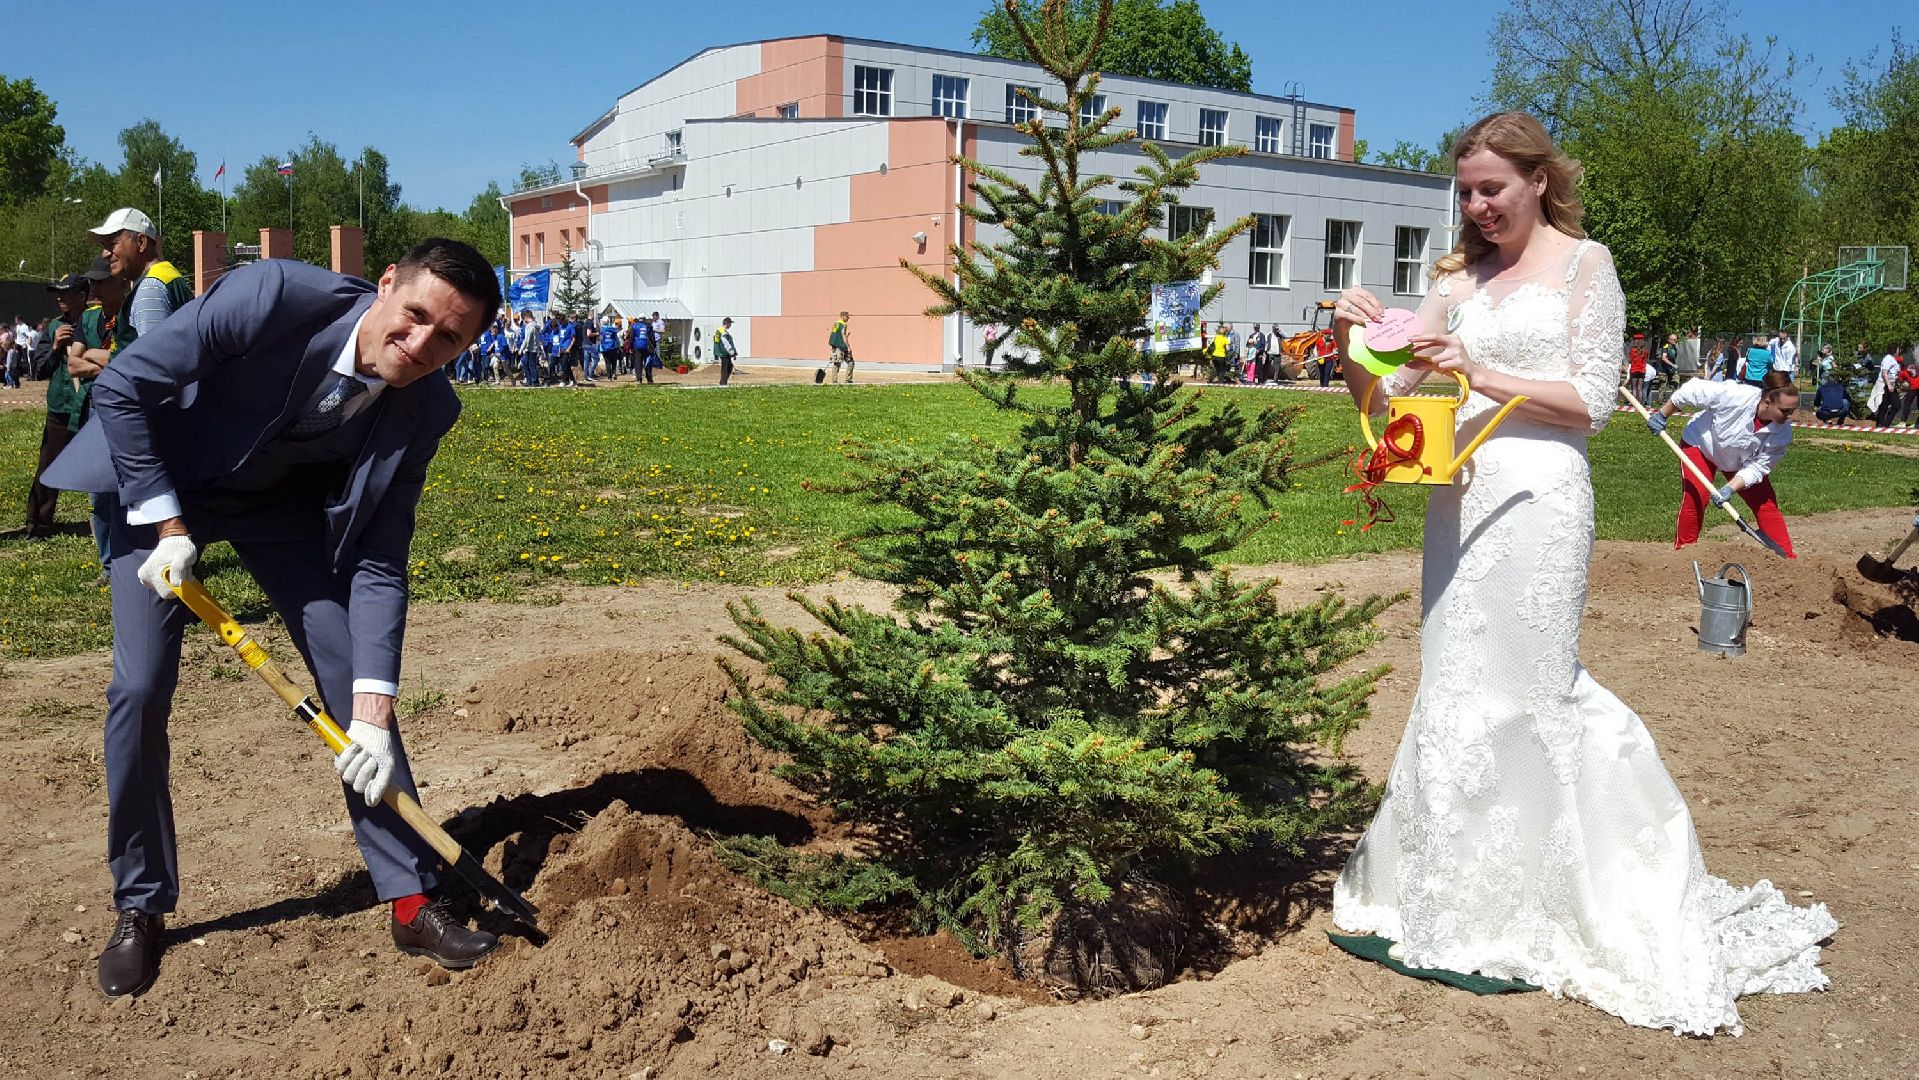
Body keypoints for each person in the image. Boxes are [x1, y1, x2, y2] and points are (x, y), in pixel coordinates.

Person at [1328, 111, 1833, 1036]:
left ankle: (1572, 888)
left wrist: (1476, 369)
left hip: (1541, 499)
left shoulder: (1582, 264)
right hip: (1461, 498)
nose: (1477, 207)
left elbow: (1590, 403)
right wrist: (1353, 344)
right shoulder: (1453, 278)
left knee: (1531, 687)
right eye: (1466, 191)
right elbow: (1390, 402)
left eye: (1493, 189)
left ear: (1536, 181)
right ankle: (1444, 899)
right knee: (1454, 682)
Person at [41, 238, 507, 998]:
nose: (421, 344)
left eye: (448, 338)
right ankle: (140, 902)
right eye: (415, 315)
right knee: (140, 689)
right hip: (157, 481)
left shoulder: (427, 407)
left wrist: (372, 710)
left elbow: (381, 559)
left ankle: (412, 898)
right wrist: (166, 526)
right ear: (387, 285)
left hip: (277, 510)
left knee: (349, 670)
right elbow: (124, 385)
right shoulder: (274, 296)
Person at [1648, 370, 1799, 556]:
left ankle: (1787, 560)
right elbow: (1691, 390)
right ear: (1767, 402)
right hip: (1702, 445)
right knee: (1697, 496)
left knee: (1765, 504)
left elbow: (1759, 467)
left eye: (1792, 410)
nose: (1789, 416)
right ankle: (1685, 554)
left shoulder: (1782, 433)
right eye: (1785, 411)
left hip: (1740, 462)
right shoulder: (1735, 396)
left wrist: (1730, 488)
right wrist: (1663, 414)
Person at [15, 269, 93, 539]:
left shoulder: (96, 322)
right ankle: (38, 525)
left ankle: (112, 524)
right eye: (58, 293)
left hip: (90, 406)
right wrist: (57, 346)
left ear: (83, 296)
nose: (60, 298)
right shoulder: (52, 328)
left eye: (67, 293)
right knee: (48, 466)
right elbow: (40, 370)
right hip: (61, 408)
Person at [1872, 345, 1903, 426]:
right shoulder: (1888, 359)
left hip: (1891, 384)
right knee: (1888, 405)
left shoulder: (1893, 359)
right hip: (1885, 384)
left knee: (1890, 405)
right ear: (1895, 350)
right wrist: (1889, 385)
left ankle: (1884, 424)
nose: (1899, 351)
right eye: (1898, 349)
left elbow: (1893, 374)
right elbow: (1884, 372)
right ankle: (1881, 424)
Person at [829, 311, 854, 384]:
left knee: (839, 363)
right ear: (843, 316)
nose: (848, 318)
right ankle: (846, 380)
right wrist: (848, 347)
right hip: (841, 347)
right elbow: (842, 335)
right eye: (847, 316)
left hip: (836, 346)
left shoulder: (835, 324)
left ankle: (835, 380)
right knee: (846, 362)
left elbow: (834, 335)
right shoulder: (843, 325)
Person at [713, 316, 738, 386]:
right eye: (730, 324)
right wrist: (732, 352)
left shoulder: (719, 331)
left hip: (721, 351)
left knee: (728, 366)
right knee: (726, 367)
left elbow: (717, 342)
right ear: (727, 324)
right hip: (724, 352)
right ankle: (723, 383)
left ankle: (723, 382)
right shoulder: (723, 332)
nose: (730, 325)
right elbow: (726, 343)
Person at [1625, 332, 1648, 401]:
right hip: (1642, 370)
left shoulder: (1633, 350)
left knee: (1634, 388)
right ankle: (1640, 404)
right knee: (1640, 388)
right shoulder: (1645, 350)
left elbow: (1630, 360)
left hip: (1634, 370)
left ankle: (1634, 404)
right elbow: (1646, 360)